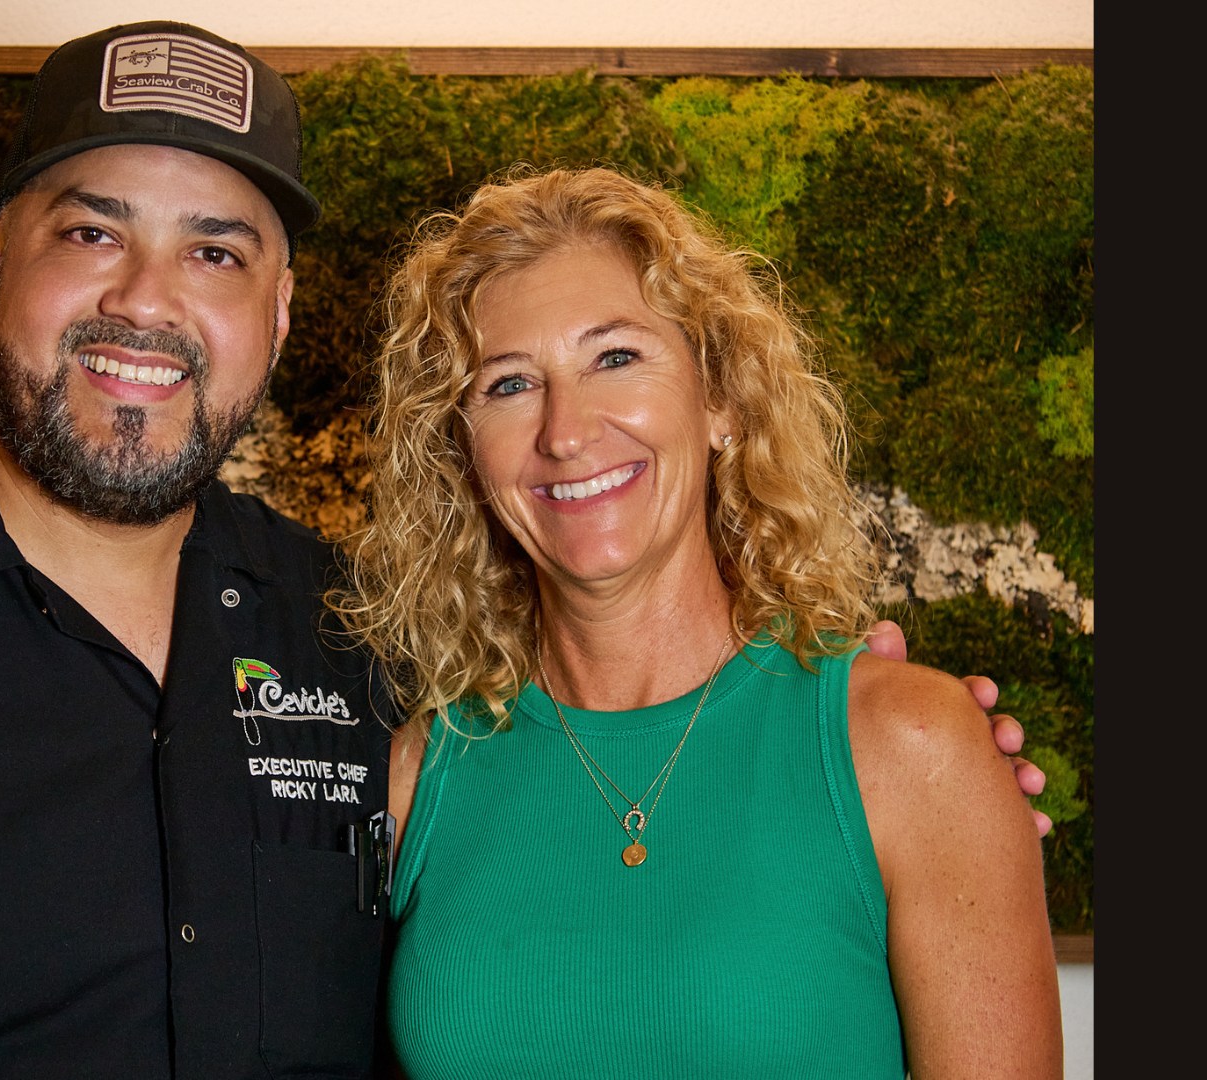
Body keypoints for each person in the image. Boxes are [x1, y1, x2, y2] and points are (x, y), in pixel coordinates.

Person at [0, 22, 1047, 1080]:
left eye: (216, 250)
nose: (146, 300)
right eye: (91, 231)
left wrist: (916, 761)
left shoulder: (354, 654)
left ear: (277, 318)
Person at [344, 167, 1063, 1077]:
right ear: (463, 451)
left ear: (720, 400)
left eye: (616, 358)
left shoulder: (909, 744)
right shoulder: (416, 774)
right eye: (510, 384)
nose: (566, 432)